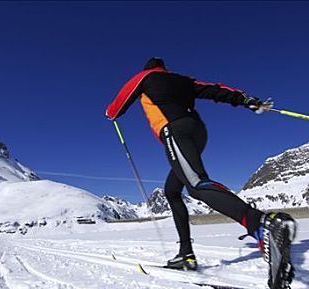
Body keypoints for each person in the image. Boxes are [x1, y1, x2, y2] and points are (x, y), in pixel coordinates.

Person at [106, 57, 295, 271]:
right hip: (197, 131)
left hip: (175, 130)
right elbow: (213, 90)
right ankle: (185, 254)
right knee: (172, 190)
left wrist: (110, 113)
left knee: (196, 184)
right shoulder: (182, 80)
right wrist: (245, 100)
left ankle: (261, 223)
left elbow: (116, 107)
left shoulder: (144, 77)